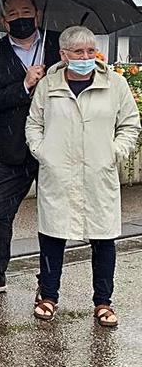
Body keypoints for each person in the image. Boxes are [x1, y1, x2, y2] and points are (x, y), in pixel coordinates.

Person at [25, 26, 139, 328]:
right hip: (58, 173)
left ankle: (103, 302)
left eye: (90, 50)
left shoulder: (114, 84)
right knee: (52, 235)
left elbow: (130, 125)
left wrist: (113, 152)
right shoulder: (48, 85)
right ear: (64, 54)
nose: (86, 56)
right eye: (78, 52)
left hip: (98, 174)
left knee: (103, 238)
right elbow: (33, 123)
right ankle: (48, 296)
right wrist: (42, 151)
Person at [0, 0, 60, 294]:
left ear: (37, 14)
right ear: (3, 21)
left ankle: (49, 282)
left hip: (54, 146)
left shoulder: (58, 47)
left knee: (52, 215)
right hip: (13, 148)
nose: (20, 17)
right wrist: (24, 85)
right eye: (13, 13)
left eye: (26, 11)